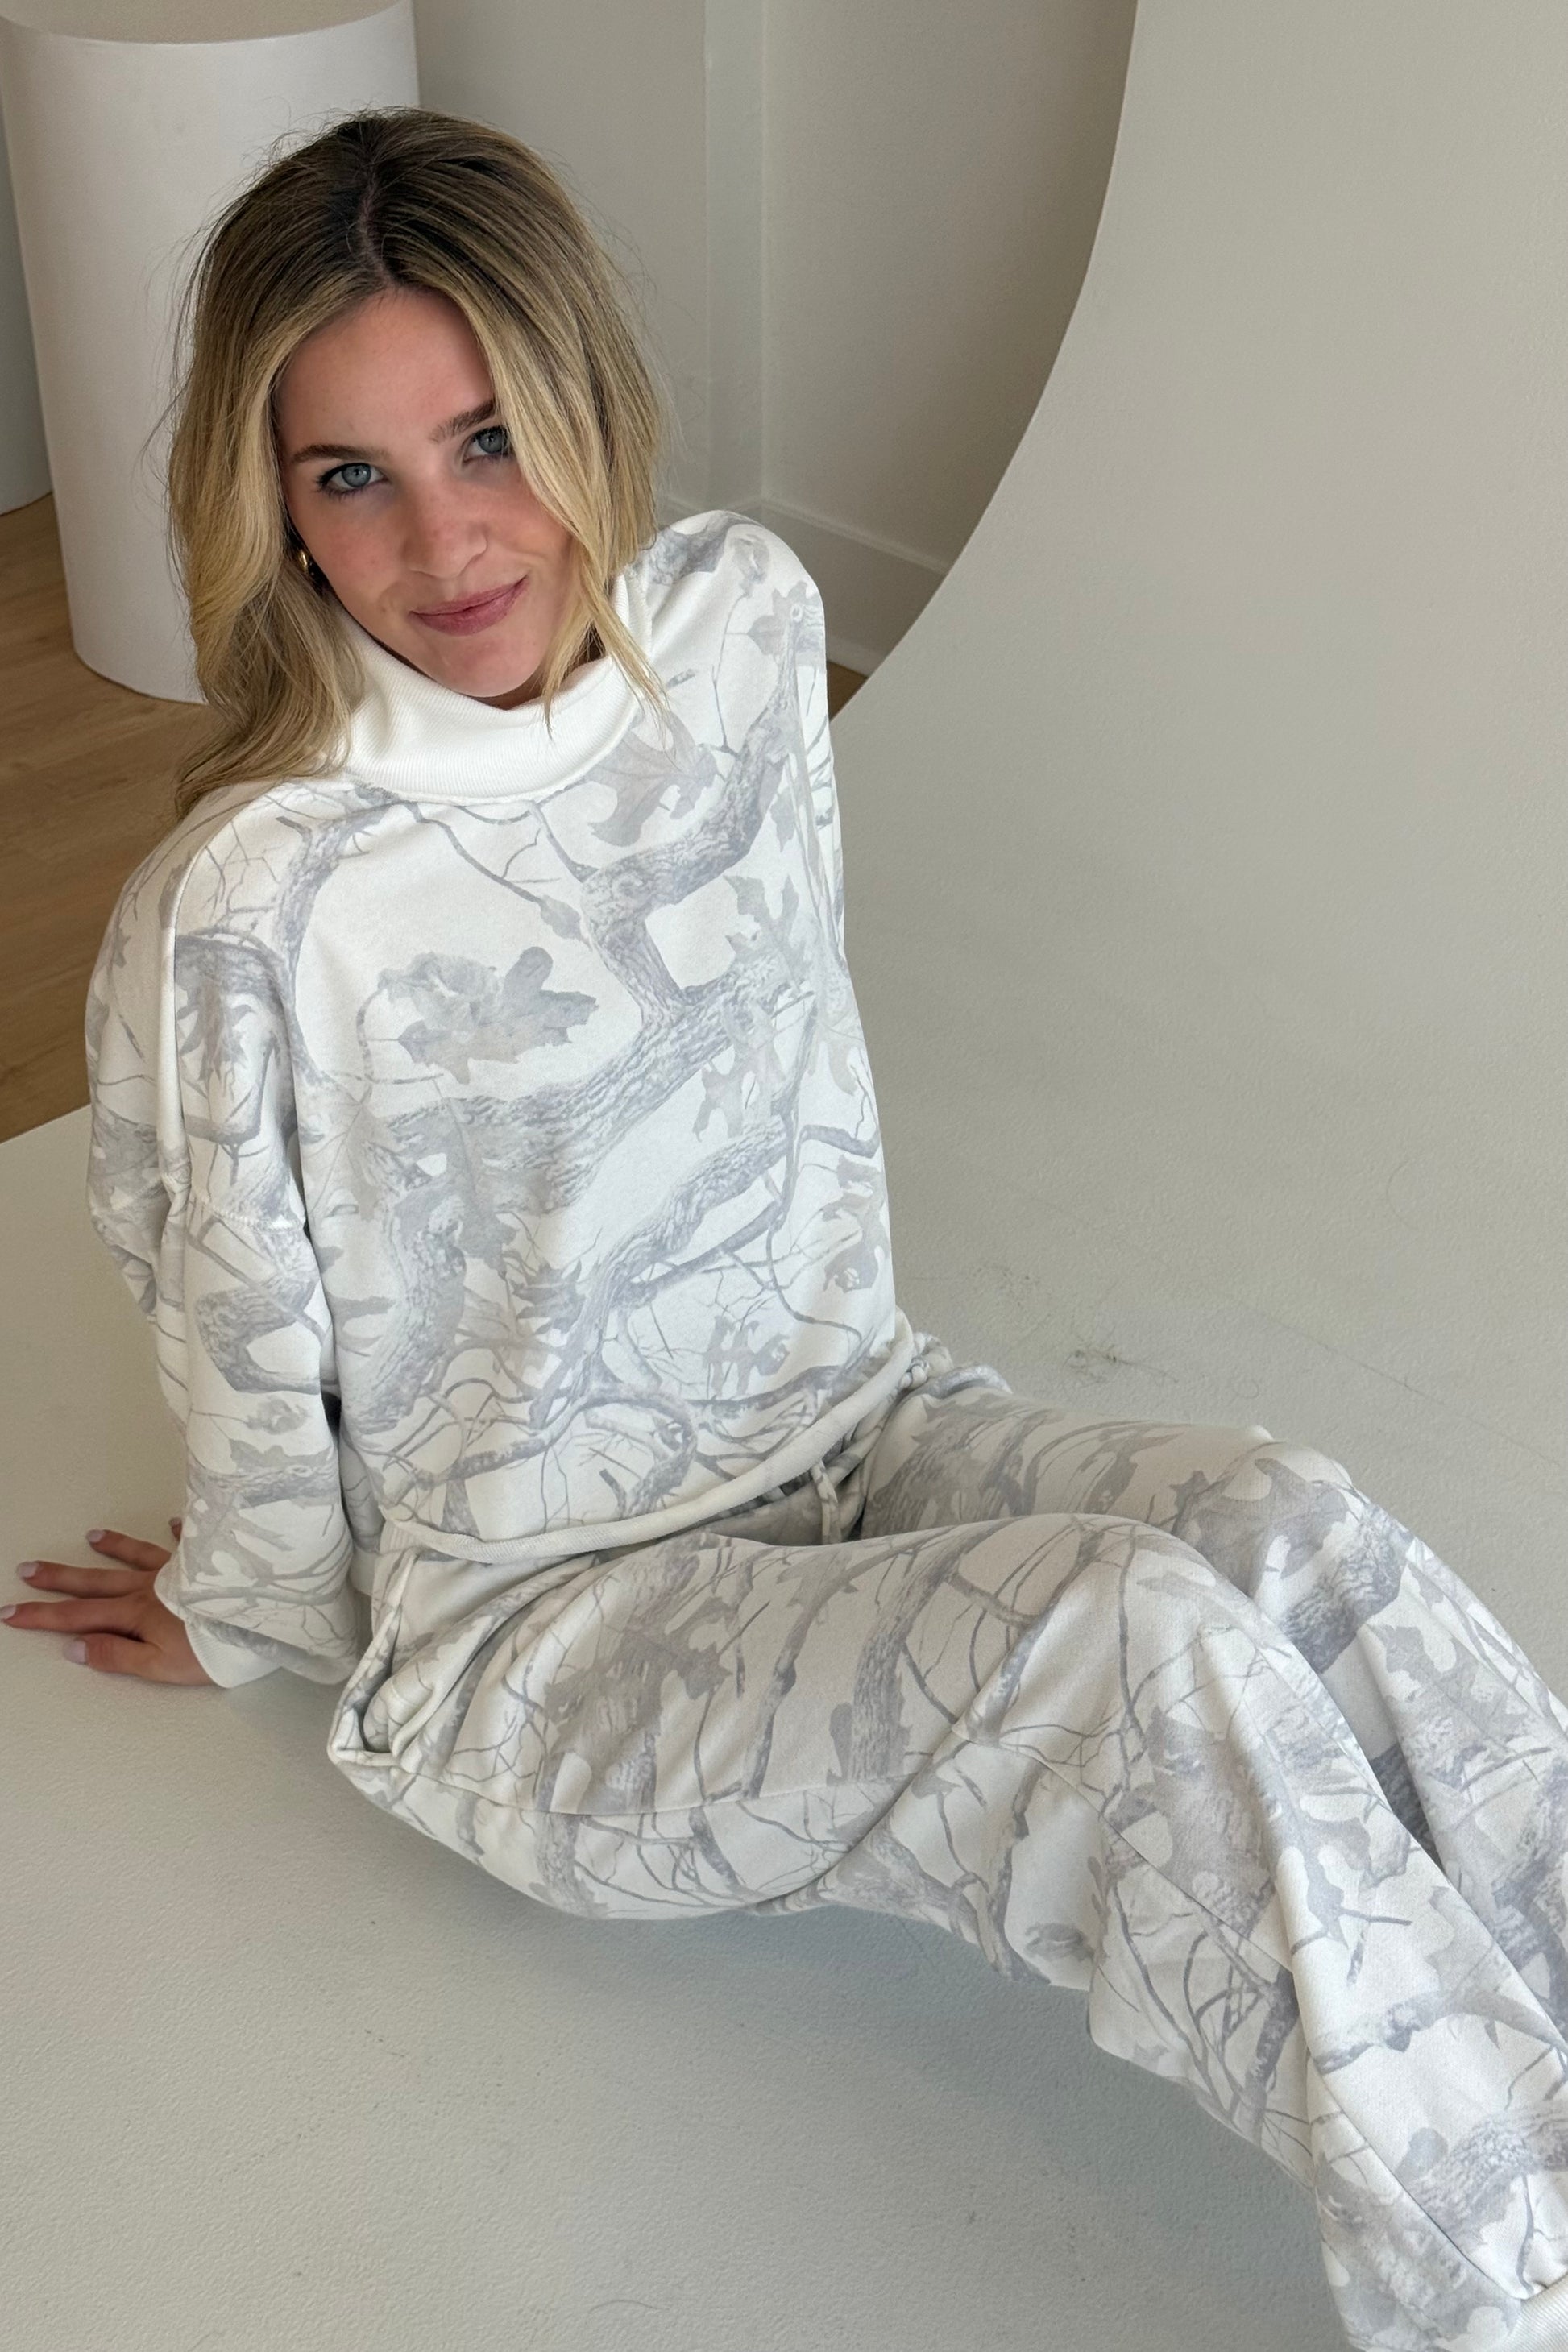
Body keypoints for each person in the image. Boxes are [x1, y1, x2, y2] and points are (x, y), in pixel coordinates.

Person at [7, 105, 1568, 2352]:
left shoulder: (737, 626)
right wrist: (246, 1603)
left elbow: (775, 1048)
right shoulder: (251, 906)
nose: (448, 540)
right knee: (1115, 1647)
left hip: (854, 1415)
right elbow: (233, 1319)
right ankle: (1517, 2272)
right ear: (272, 506)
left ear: (584, 406)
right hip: (543, 1638)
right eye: (350, 474)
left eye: (487, 437)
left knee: (1276, 1523)